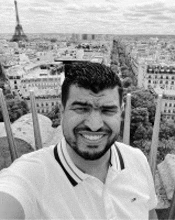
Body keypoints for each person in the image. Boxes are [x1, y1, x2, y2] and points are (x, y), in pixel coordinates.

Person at [0, 62, 158, 219]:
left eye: (107, 110)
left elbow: (150, 215)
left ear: (121, 113)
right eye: (81, 109)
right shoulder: (30, 176)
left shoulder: (137, 160)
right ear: (62, 111)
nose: (94, 125)